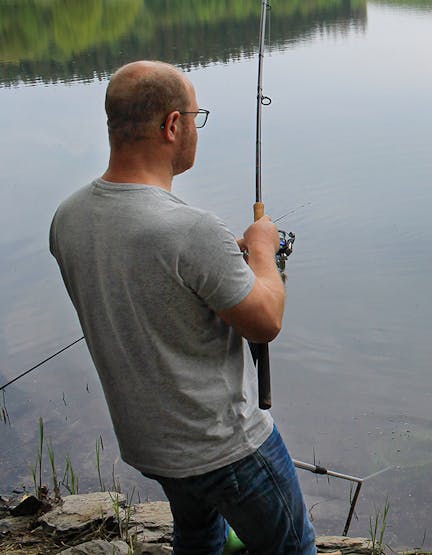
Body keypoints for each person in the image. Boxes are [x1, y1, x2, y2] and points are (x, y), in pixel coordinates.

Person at [49, 60, 316, 554]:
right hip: (226, 447)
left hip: (153, 446)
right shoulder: (191, 230)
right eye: (197, 116)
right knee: (294, 548)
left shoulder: (69, 218)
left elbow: (155, 291)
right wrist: (262, 249)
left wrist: (223, 266)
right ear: (173, 125)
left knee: (198, 536)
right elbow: (265, 322)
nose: (197, 127)